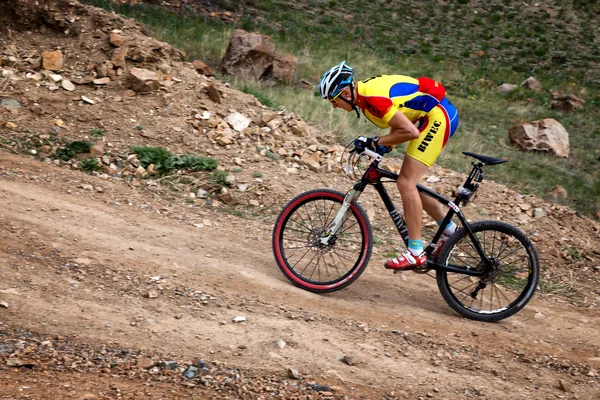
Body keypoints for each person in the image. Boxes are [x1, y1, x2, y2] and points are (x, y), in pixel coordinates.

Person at [318, 61, 459, 270]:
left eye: (334, 99)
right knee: (410, 182)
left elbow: (411, 132)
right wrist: (382, 145)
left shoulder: (371, 99)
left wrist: (375, 141)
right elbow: (399, 122)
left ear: (346, 93)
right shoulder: (365, 100)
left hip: (437, 116)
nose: (334, 105)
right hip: (429, 114)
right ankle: (450, 231)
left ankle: (415, 252)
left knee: (406, 183)